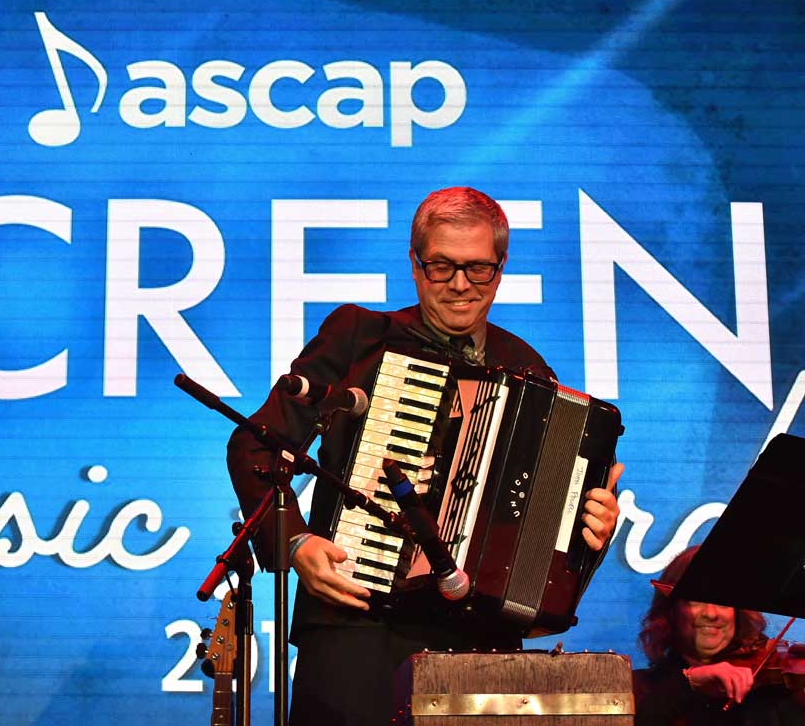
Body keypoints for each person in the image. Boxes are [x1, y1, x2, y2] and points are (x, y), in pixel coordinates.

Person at [227, 186, 624, 726]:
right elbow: (256, 443)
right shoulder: (361, 338)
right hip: (357, 619)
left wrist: (589, 534)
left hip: (478, 642)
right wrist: (296, 543)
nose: (460, 285)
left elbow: (541, 541)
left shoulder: (529, 367)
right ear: (416, 266)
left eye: (478, 268)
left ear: (500, 268)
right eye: (442, 266)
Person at [634, 545, 805, 725]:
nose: (712, 613)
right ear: (672, 610)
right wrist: (689, 683)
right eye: (696, 600)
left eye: (723, 601)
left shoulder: (774, 692)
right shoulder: (642, 687)